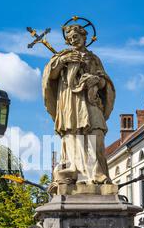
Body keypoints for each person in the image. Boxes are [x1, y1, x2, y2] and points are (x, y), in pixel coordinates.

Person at [42, 23, 115, 190]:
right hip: (71, 102)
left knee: (97, 133)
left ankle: (97, 174)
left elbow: (105, 82)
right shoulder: (62, 56)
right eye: (70, 39)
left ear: (84, 37)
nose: (73, 40)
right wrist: (63, 61)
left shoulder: (94, 59)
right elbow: (50, 76)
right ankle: (80, 176)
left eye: (76, 36)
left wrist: (97, 81)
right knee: (74, 134)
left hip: (91, 100)